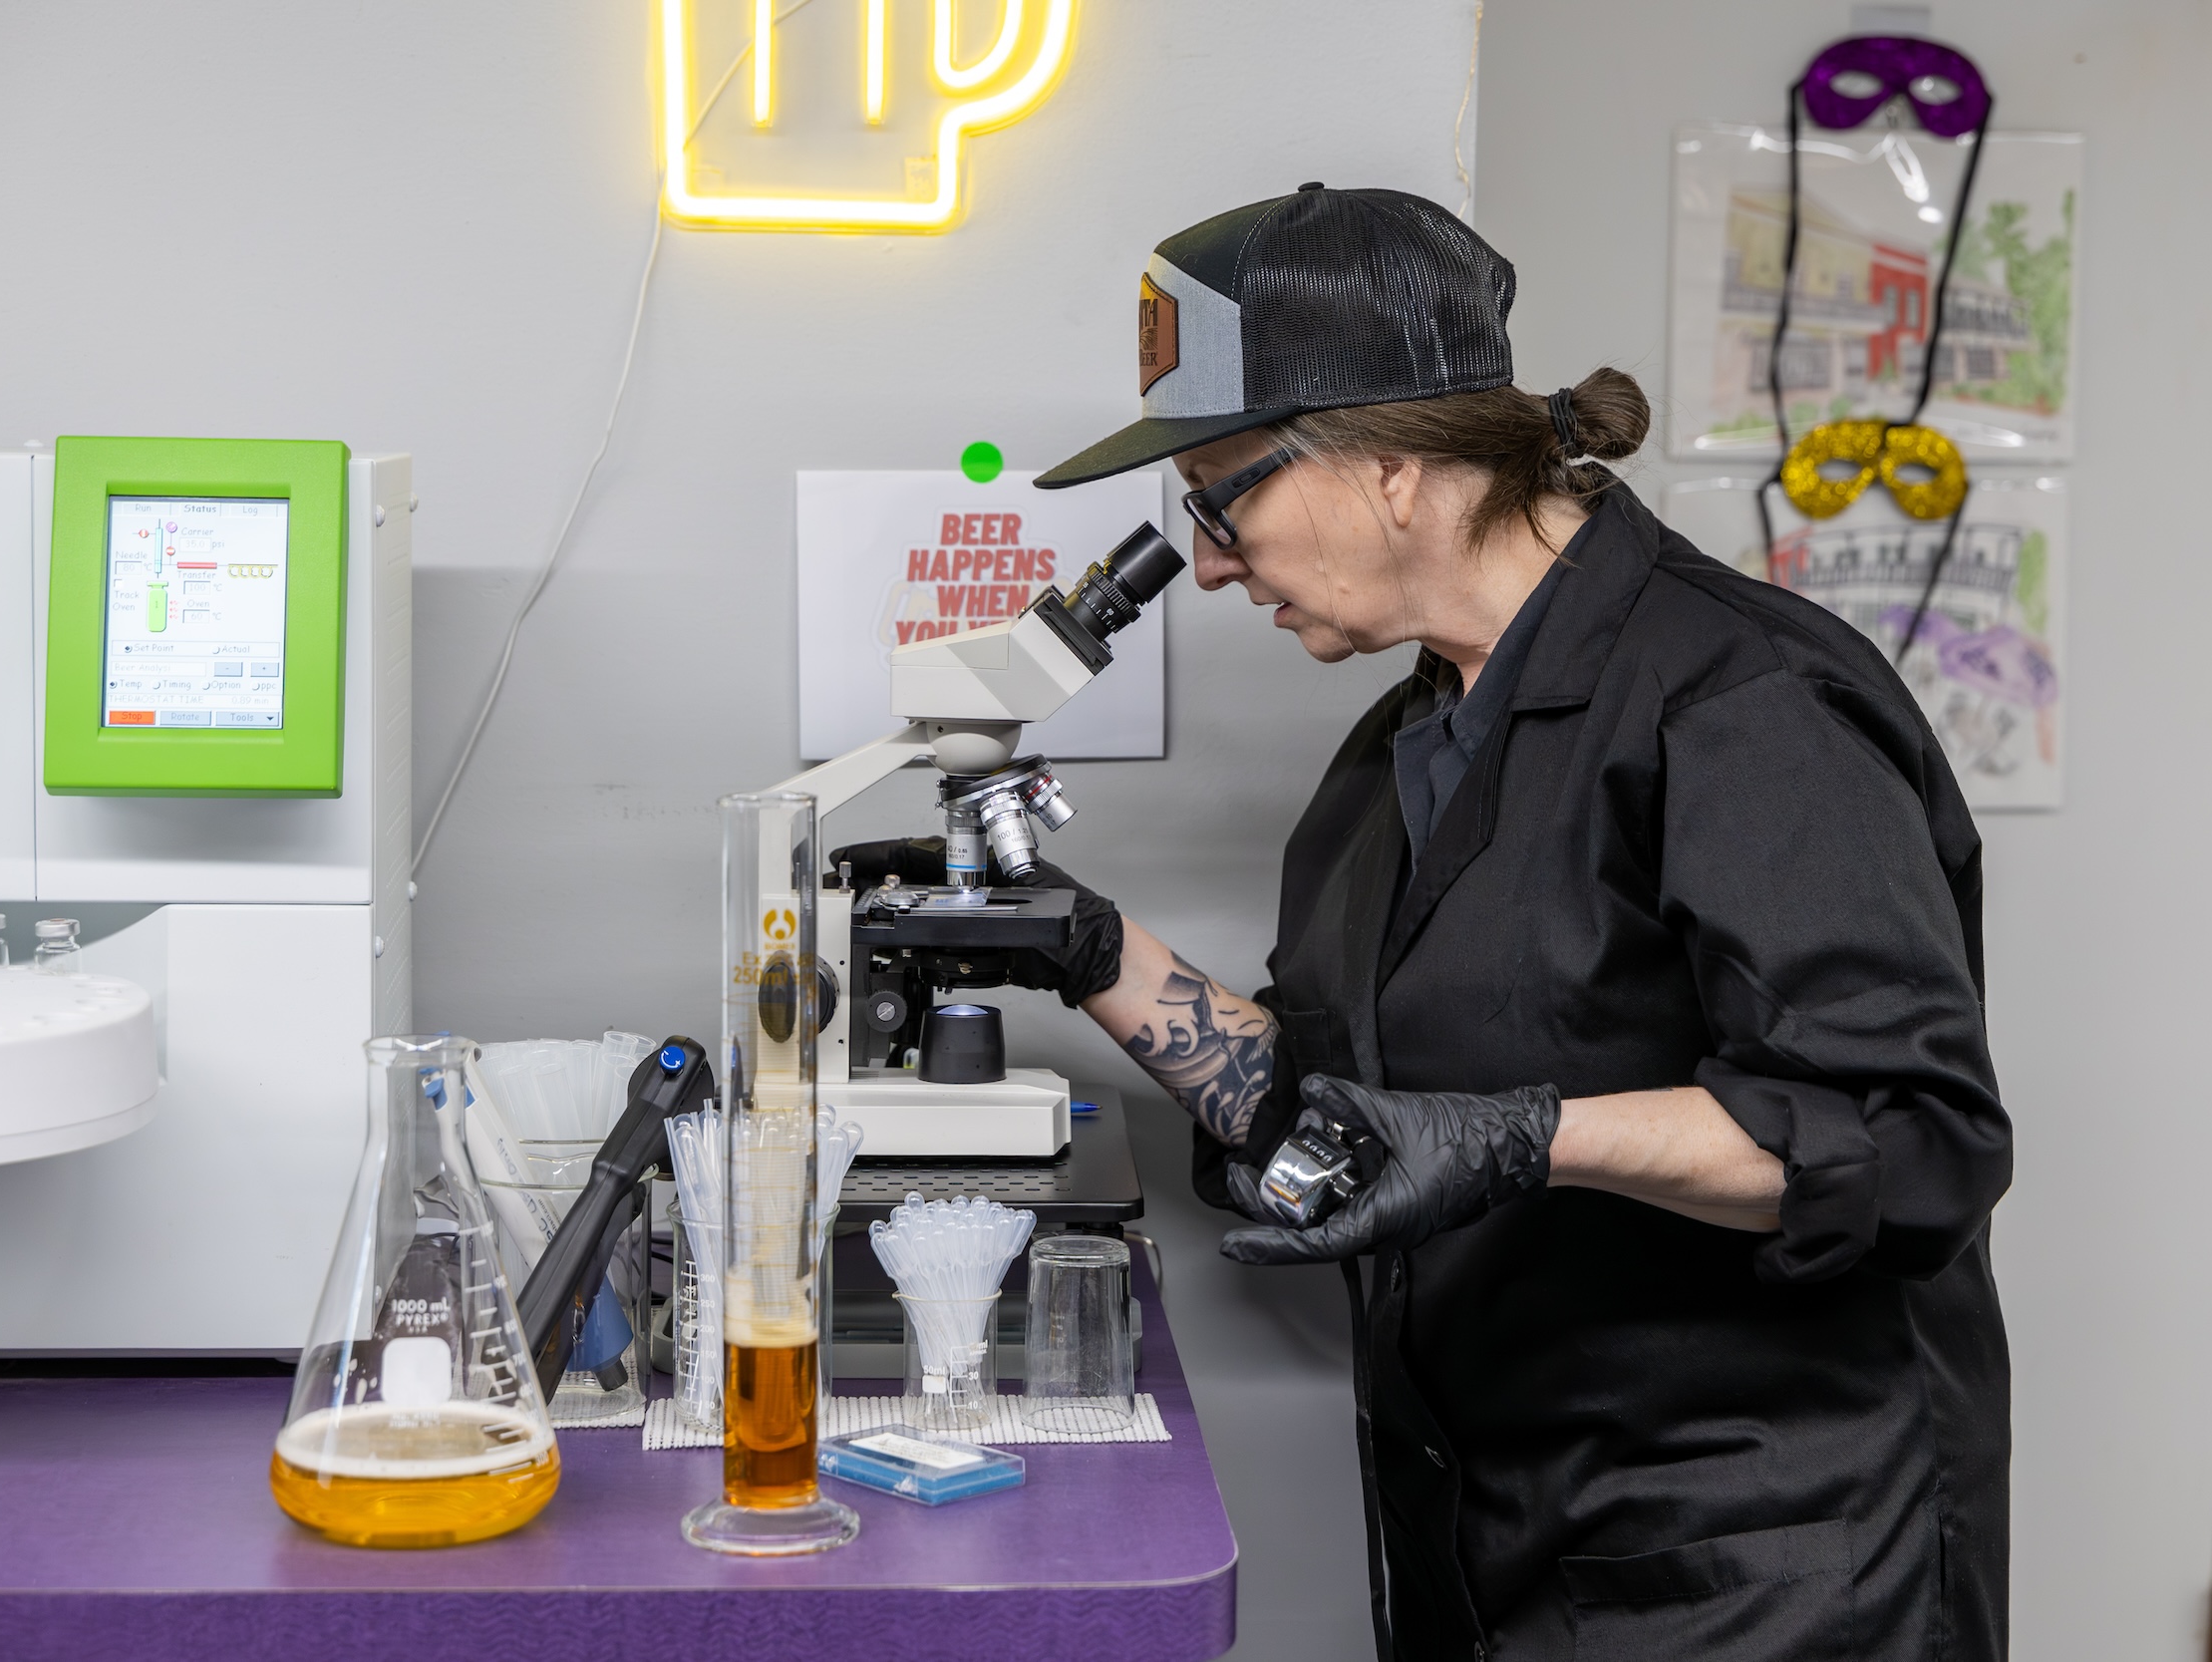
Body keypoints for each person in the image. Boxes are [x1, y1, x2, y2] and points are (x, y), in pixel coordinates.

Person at [839, 183, 2011, 1662]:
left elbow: (1905, 1141)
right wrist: (1087, 952)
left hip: (1767, 1567)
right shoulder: (1398, 758)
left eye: (1221, 498)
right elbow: (1325, 1113)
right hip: (1488, 1539)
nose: (1205, 560)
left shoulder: (1744, 704)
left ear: (1390, 465)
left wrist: (1524, 1134)